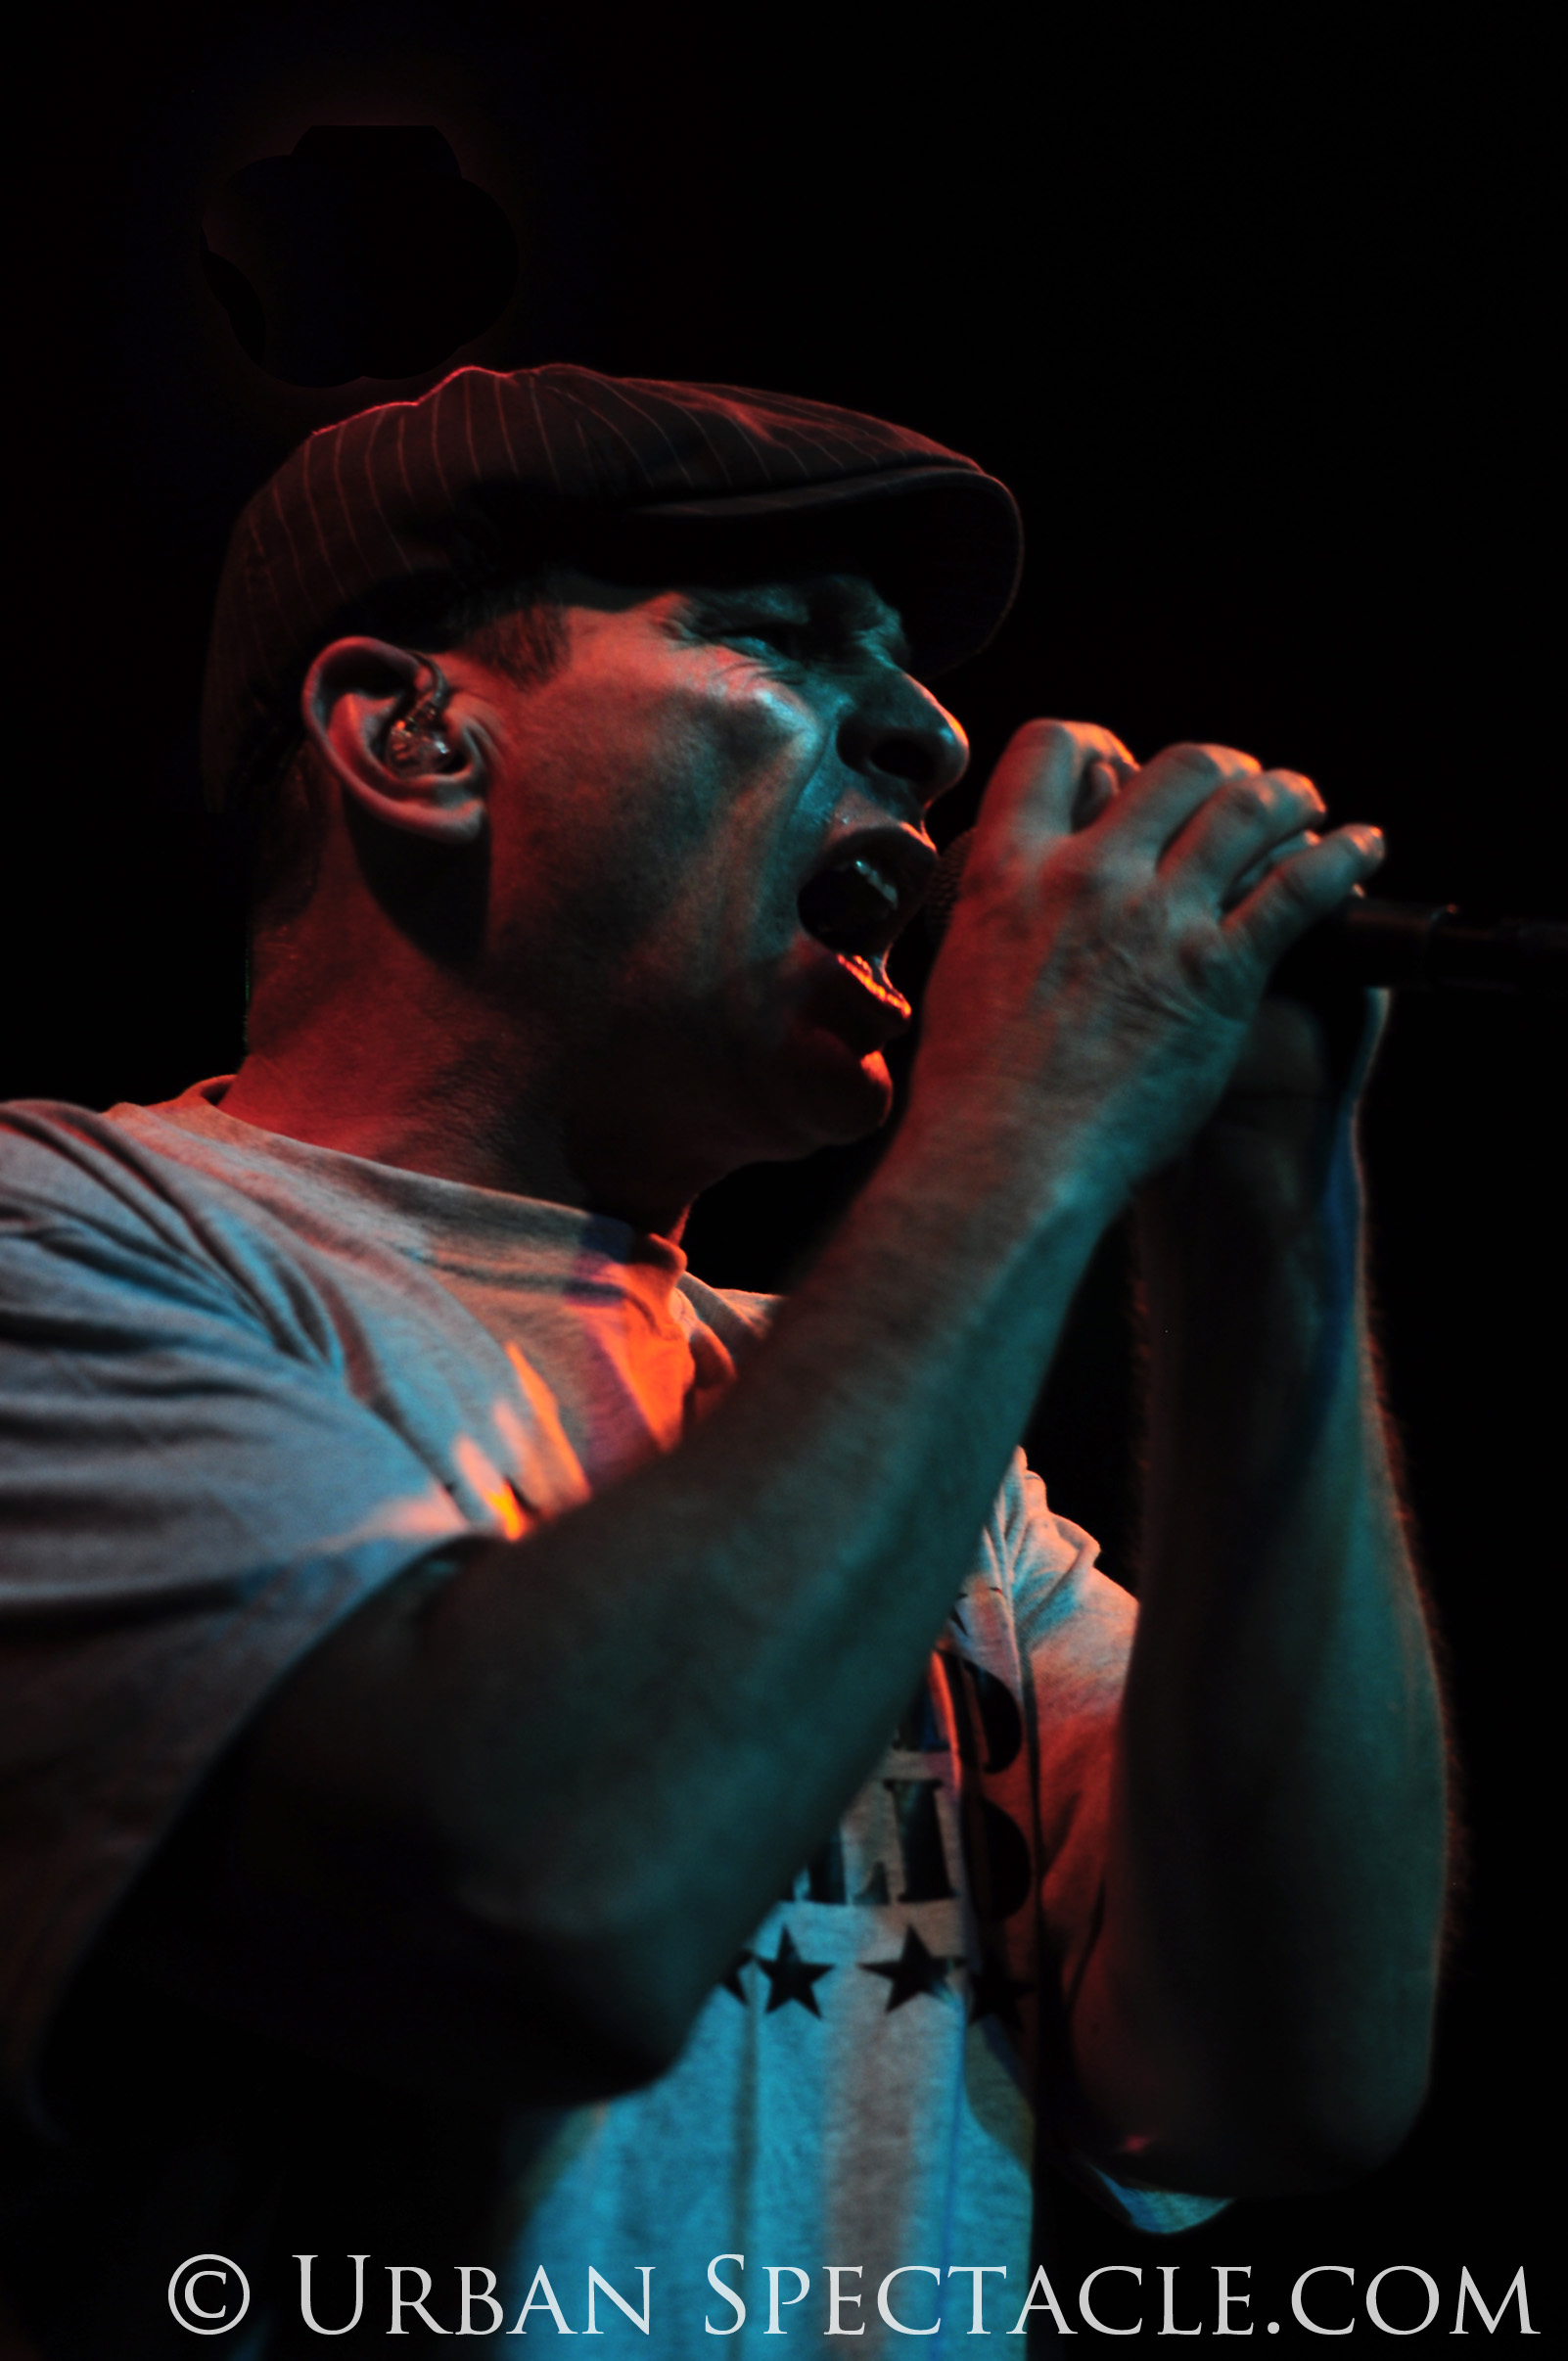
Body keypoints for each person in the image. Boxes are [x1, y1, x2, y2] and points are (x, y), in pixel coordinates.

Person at [0, 366, 1448, 2357]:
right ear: (416, 735)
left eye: (906, 672)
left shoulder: (903, 1450)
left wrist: (1261, 1214)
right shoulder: (68, 1242)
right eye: (778, 639)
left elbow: (1281, 2081)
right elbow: (542, 1904)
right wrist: (1039, 1115)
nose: (928, 735)